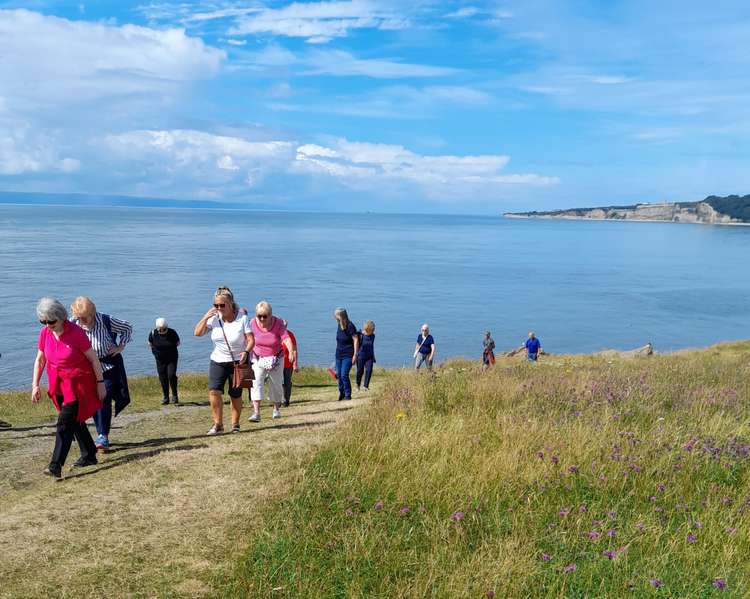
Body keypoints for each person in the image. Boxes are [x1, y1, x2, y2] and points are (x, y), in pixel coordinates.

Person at [31, 298, 107, 477]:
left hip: (78, 386)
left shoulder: (76, 333)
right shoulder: (45, 333)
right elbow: (40, 359)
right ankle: (89, 454)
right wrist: (35, 385)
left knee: (64, 424)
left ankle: (55, 465)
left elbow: (94, 359)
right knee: (75, 420)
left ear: (61, 317)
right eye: (43, 321)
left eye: (51, 321)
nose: (47, 324)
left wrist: (100, 383)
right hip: (57, 384)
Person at [70, 296, 132, 452]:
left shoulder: (106, 320)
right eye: (79, 317)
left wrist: (120, 346)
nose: (82, 320)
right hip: (87, 368)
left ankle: (103, 435)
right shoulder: (72, 324)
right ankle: (98, 432)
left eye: (84, 317)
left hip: (108, 365)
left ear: (92, 312)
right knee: (92, 400)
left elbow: (127, 327)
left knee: (103, 397)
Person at [194, 286, 254, 435]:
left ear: (231, 303)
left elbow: (251, 339)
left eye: (222, 305)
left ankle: (235, 424)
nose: (219, 308)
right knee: (214, 391)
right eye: (216, 305)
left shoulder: (242, 319)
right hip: (217, 360)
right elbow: (197, 333)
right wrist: (205, 316)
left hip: (237, 362)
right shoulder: (214, 320)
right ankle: (218, 424)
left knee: (235, 395)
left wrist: (246, 352)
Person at [248, 302, 295, 421]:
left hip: (276, 358)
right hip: (257, 357)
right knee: (256, 382)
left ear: (271, 314)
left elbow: (286, 338)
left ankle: (276, 409)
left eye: (265, 316)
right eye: (259, 316)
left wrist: (290, 351)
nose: (262, 319)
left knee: (276, 384)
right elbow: (247, 338)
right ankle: (256, 413)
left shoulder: (278, 323)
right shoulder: (252, 323)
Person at [148, 317, 180, 405]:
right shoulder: (153, 333)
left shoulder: (172, 332)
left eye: (164, 329)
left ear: (167, 326)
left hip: (171, 358)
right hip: (159, 359)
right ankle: (166, 397)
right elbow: (150, 343)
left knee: (171, 375)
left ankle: (174, 395)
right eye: (160, 329)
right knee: (162, 377)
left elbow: (178, 343)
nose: (161, 331)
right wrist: (155, 353)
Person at [334, 308, 359, 400]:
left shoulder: (350, 326)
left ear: (341, 316)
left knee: (344, 374)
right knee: (339, 375)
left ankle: (348, 395)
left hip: (348, 355)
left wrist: (355, 355)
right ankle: (342, 393)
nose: (334, 317)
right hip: (338, 354)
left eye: (336, 315)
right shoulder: (339, 325)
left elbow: (355, 339)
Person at [281, 320, 299, 407]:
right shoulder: (275, 334)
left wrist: (295, 364)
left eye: (285, 326)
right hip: (277, 364)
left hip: (288, 363)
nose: (283, 328)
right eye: (282, 326)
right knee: (278, 382)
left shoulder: (290, 335)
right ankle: (279, 399)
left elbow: (295, 350)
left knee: (287, 382)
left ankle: (286, 399)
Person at [355, 320, 376, 392]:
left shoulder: (373, 336)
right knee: (360, 371)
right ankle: (358, 385)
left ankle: (366, 386)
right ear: (368, 329)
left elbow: (372, 346)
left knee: (369, 370)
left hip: (369, 356)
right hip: (360, 356)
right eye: (372, 330)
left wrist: (373, 356)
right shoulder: (360, 335)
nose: (373, 331)